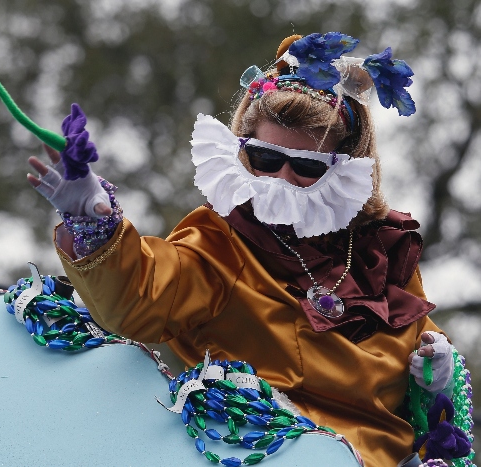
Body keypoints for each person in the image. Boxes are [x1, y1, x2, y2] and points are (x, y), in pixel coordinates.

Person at [26, 33, 467, 467]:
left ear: (346, 164)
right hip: (263, 451)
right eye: (266, 160)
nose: (281, 179)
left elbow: (420, 341)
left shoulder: (381, 250)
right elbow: (140, 295)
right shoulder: (221, 242)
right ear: (241, 150)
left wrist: (436, 366)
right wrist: (93, 220)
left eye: (308, 166)